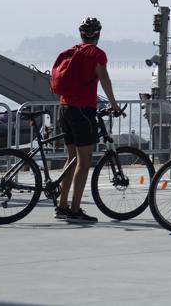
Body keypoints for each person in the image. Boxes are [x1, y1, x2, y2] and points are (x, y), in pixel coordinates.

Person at [47, 18, 123, 223]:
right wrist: (114, 104)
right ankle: (75, 209)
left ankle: (62, 206)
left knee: (71, 158)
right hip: (82, 110)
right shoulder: (96, 53)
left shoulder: (70, 52)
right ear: (98, 34)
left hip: (64, 108)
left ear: (81, 35)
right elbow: (104, 78)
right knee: (84, 160)